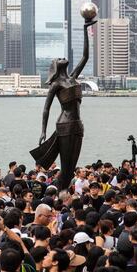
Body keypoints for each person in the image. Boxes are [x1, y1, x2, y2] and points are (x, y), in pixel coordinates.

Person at [30, 14, 94, 190]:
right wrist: (43, 131)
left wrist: (85, 29)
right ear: (56, 67)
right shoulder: (56, 85)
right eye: (58, 58)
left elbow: (85, 56)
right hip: (64, 125)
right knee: (66, 167)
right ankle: (60, 195)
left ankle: (62, 194)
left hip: (77, 125)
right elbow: (46, 109)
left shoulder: (73, 77)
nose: (62, 57)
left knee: (72, 166)